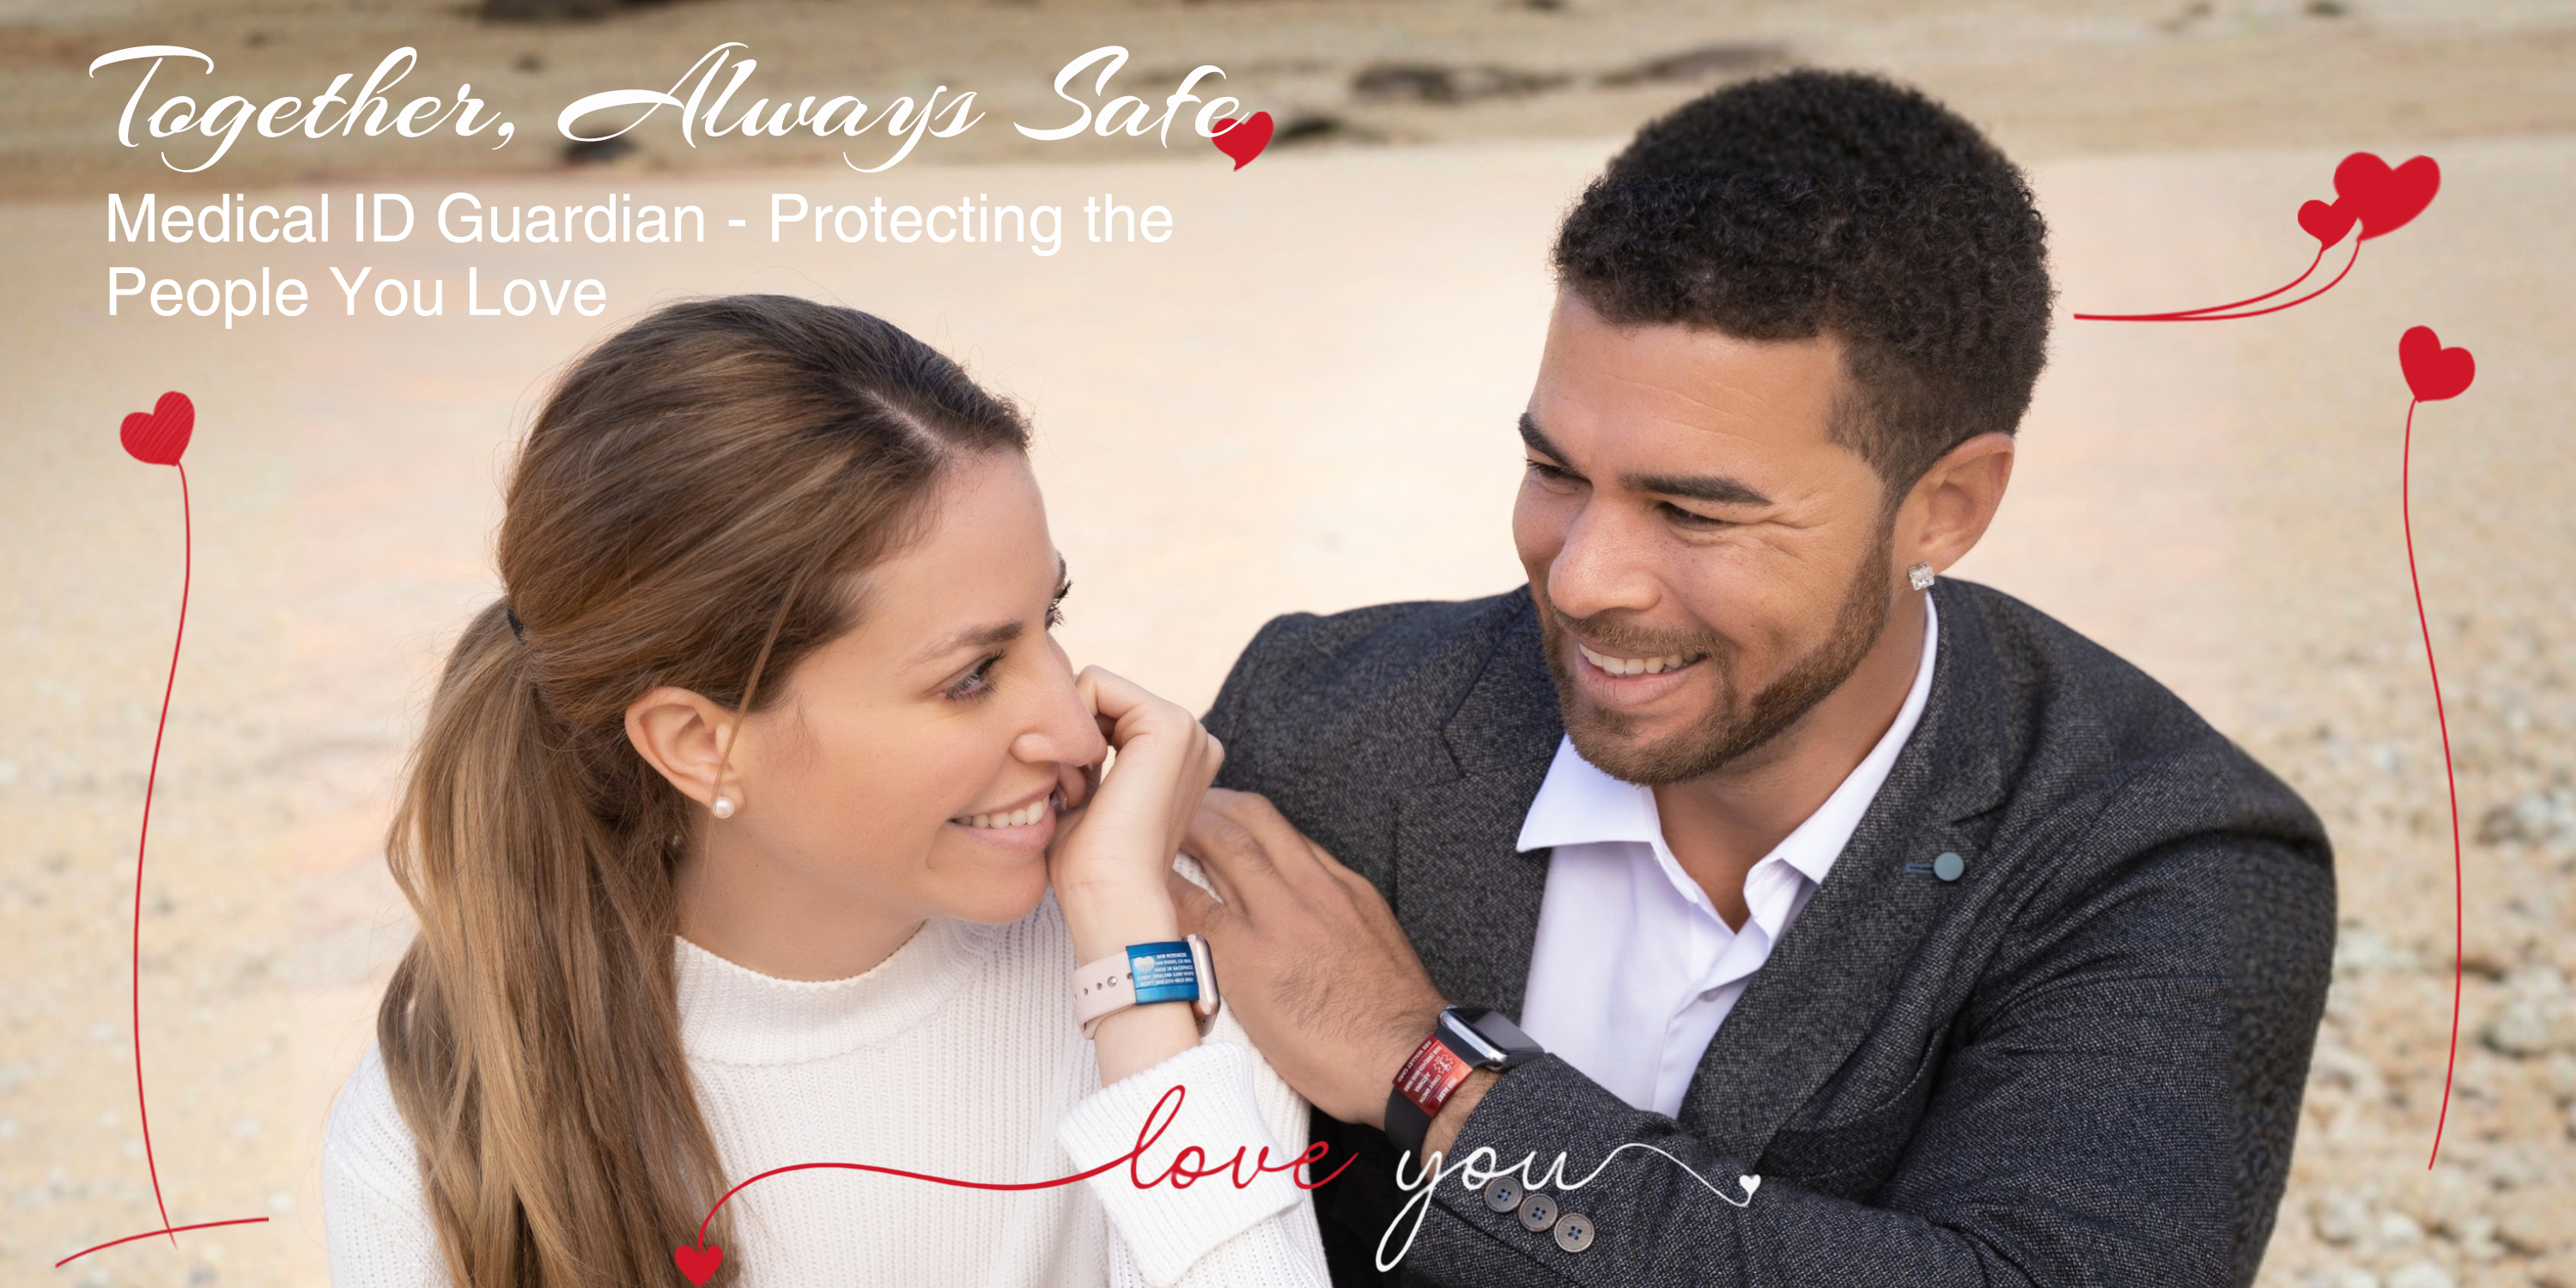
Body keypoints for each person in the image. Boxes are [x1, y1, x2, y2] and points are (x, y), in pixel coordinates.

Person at [1169, 70, 2336, 1286]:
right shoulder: (1317, 722)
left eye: (1692, 512)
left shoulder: (2167, 852)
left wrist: (1430, 1071)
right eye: (1556, 473)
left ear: (1946, 506)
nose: (1582, 580)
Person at [319, 296, 1331, 1288]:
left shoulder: (1169, 945)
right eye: (972, 676)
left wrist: (1136, 985)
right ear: (700, 745)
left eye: (1049, 618)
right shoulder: (437, 1141)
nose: (1076, 730)